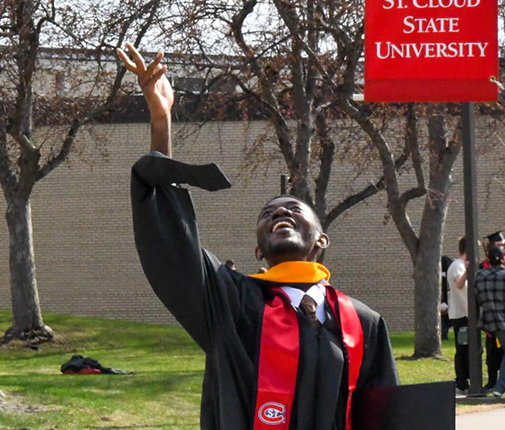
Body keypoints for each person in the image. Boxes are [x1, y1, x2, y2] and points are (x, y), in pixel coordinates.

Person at [118, 43, 398, 430]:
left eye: (294, 210)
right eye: (268, 214)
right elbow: (174, 245)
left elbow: (387, 416)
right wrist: (161, 123)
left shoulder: (363, 322)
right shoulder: (232, 303)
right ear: (258, 249)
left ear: (322, 240)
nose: (280, 212)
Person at [476, 245, 505, 398]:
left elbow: (477, 297)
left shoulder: (479, 276)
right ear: (503, 259)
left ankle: (503, 386)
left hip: (491, 322)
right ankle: (501, 387)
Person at [446, 237, 471, 395]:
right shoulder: (457, 265)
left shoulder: (460, 265)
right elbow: (459, 283)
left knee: (468, 348)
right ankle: (461, 381)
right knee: (462, 348)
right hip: (460, 314)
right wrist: (469, 270)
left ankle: (466, 378)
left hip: (466, 313)